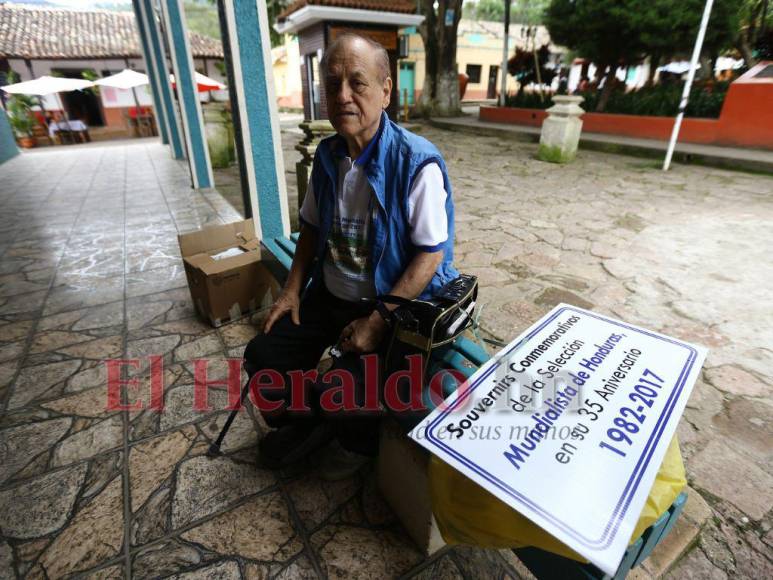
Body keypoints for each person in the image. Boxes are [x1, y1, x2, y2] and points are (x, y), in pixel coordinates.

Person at [243, 33, 457, 480]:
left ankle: (355, 444)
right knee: (264, 354)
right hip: (332, 292)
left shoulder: (417, 162)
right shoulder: (328, 154)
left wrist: (378, 321)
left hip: (392, 305)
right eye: (332, 83)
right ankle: (305, 420)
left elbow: (429, 256)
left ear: (385, 90)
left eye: (357, 83)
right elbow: (312, 228)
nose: (342, 96)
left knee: (346, 388)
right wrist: (290, 292)